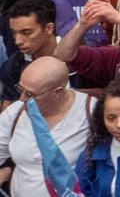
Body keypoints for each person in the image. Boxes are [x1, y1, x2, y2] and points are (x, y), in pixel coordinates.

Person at [0, 56, 96, 197]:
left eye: (30, 94)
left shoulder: (91, 111)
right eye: (20, 89)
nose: (22, 99)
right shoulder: (15, 112)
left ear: (58, 92)